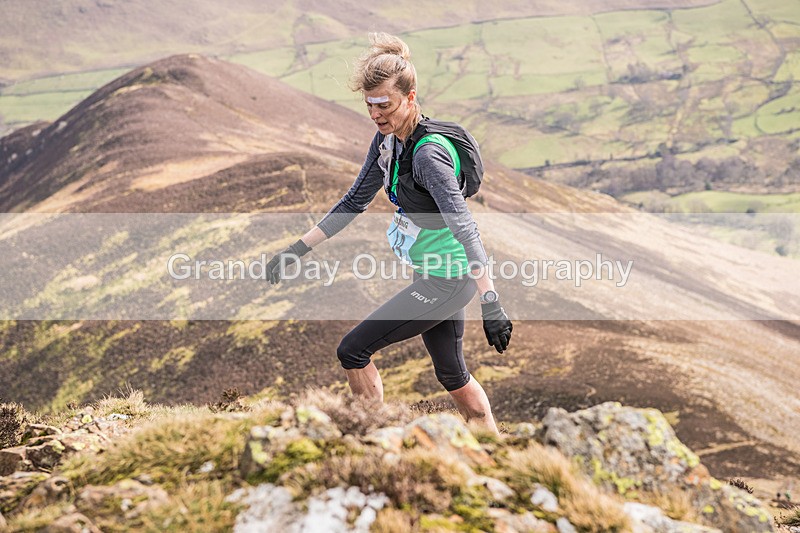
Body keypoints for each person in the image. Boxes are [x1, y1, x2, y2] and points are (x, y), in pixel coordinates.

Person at [266, 33, 512, 434]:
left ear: (410, 98)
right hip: (433, 272)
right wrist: (296, 249)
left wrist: (491, 301)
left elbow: (466, 228)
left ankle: (368, 433)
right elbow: (353, 202)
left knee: (352, 350)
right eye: (370, 105)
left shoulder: (429, 156)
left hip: (449, 279)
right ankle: (493, 442)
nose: (377, 114)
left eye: (385, 104)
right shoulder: (386, 143)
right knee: (452, 374)